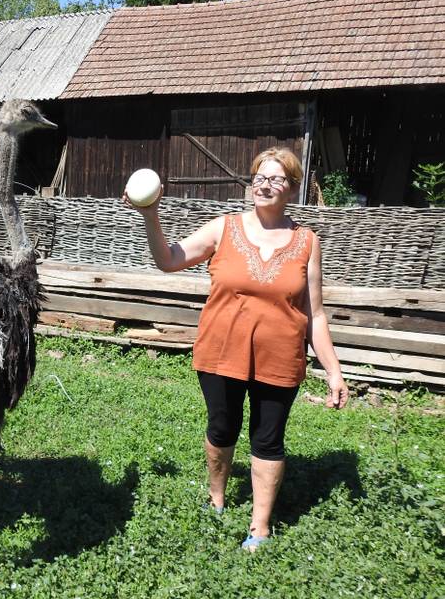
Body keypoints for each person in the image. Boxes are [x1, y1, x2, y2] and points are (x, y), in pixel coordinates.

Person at [124, 147, 348, 550]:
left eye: (276, 178)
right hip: (221, 351)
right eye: (259, 177)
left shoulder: (306, 241)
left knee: (268, 439)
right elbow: (169, 260)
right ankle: (217, 498)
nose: (265, 185)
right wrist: (150, 214)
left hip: (280, 358)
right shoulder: (224, 228)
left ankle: (259, 527)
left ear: (292, 187)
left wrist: (334, 371)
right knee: (222, 428)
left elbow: (314, 314)